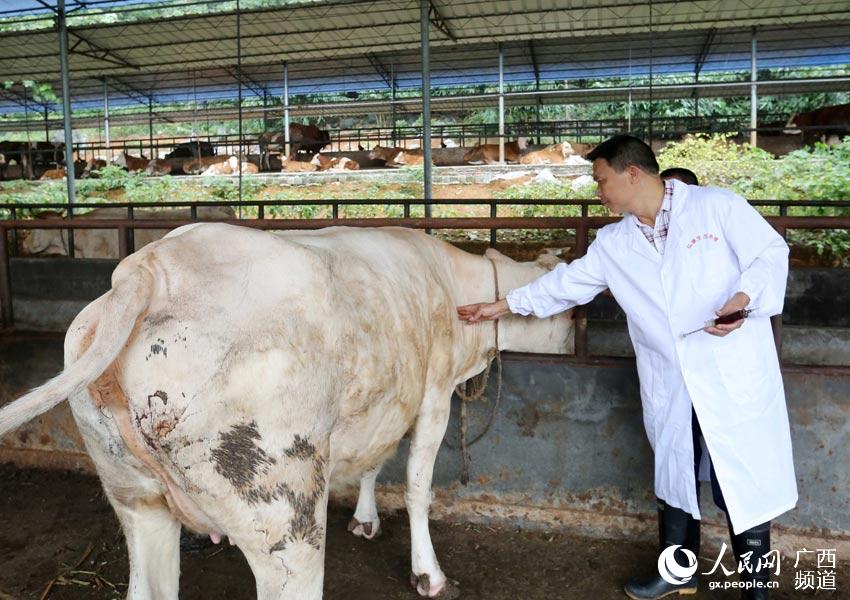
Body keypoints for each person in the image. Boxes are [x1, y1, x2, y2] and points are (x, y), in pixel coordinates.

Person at [457, 135, 796, 600]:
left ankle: (756, 591)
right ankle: (678, 573)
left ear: (631, 173)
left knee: (740, 478)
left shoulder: (716, 207)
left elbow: (770, 254)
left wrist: (744, 297)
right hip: (670, 379)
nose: (597, 190)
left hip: (730, 373)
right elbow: (565, 284)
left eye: (601, 180)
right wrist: (500, 306)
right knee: (675, 473)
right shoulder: (614, 242)